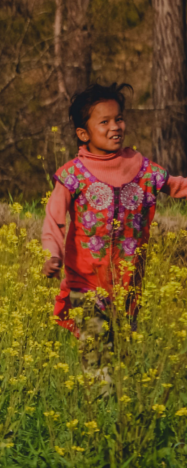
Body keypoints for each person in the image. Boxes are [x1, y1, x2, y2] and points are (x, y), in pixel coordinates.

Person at [41, 83, 187, 387]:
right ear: (84, 133)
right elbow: (54, 219)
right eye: (104, 122)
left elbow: (175, 185)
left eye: (118, 118)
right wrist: (52, 255)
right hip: (86, 281)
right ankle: (97, 421)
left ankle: (118, 424)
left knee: (122, 361)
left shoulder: (141, 168)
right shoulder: (73, 174)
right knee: (97, 365)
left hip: (128, 283)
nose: (115, 127)